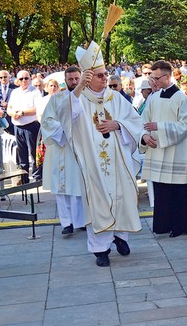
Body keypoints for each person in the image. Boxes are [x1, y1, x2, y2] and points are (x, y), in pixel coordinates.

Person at [58, 42, 143, 267]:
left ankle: (121, 237)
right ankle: (100, 249)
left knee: (122, 199)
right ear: (88, 78)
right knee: (98, 202)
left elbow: (136, 122)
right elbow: (65, 113)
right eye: (99, 75)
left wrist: (118, 124)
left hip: (119, 160)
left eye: (105, 74)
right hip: (92, 163)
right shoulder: (79, 99)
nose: (105, 78)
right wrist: (78, 88)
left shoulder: (115, 98)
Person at [140, 60, 187, 238]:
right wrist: (144, 136)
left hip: (175, 153)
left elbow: (186, 125)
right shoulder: (153, 98)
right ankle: (163, 225)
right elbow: (142, 121)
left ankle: (181, 225)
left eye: (156, 78)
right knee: (161, 190)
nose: (153, 82)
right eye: (152, 78)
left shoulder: (180, 98)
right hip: (157, 150)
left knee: (178, 190)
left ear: (167, 76)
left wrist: (160, 127)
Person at [40, 68, 86, 236]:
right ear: (65, 80)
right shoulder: (56, 98)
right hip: (61, 145)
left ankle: (81, 221)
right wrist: (65, 129)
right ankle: (66, 222)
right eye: (71, 79)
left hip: (80, 147)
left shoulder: (87, 98)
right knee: (61, 187)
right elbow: (46, 121)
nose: (74, 82)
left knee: (78, 184)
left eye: (76, 79)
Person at [7, 70, 43, 183]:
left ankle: (37, 178)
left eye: (26, 78)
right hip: (18, 127)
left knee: (33, 153)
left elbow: (37, 109)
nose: (24, 81)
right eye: (21, 79)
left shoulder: (35, 92)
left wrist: (22, 113)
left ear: (30, 79)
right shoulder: (15, 92)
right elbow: (9, 108)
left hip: (31, 126)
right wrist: (13, 114)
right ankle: (24, 178)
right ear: (17, 80)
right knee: (21, 154)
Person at [0, 70, 17, 134]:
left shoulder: (16, 88)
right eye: (1, 77)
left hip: (12, 118)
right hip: (0, 120)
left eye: (5, 77)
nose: (3, 79)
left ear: (9, 77)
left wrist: (8, 104)